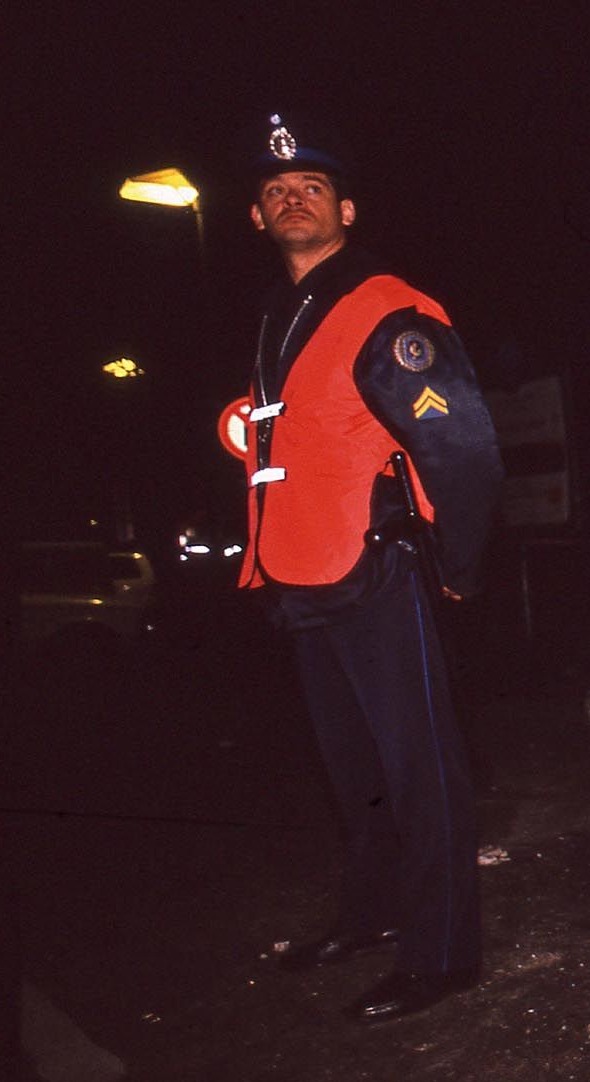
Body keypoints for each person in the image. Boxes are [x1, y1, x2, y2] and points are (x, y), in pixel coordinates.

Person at [236, 113, 502, 1021]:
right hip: (302, 575)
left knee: (420, 769)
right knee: (354, 770)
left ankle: (443, 954)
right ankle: (374, 915)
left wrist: (456, 565)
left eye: (311, 186)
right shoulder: (281, 314)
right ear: (257, 220)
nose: (292, 197)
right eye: (275, 192)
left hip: (379, 567)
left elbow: (461, 448)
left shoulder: (385, 306)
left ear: (346, 208)